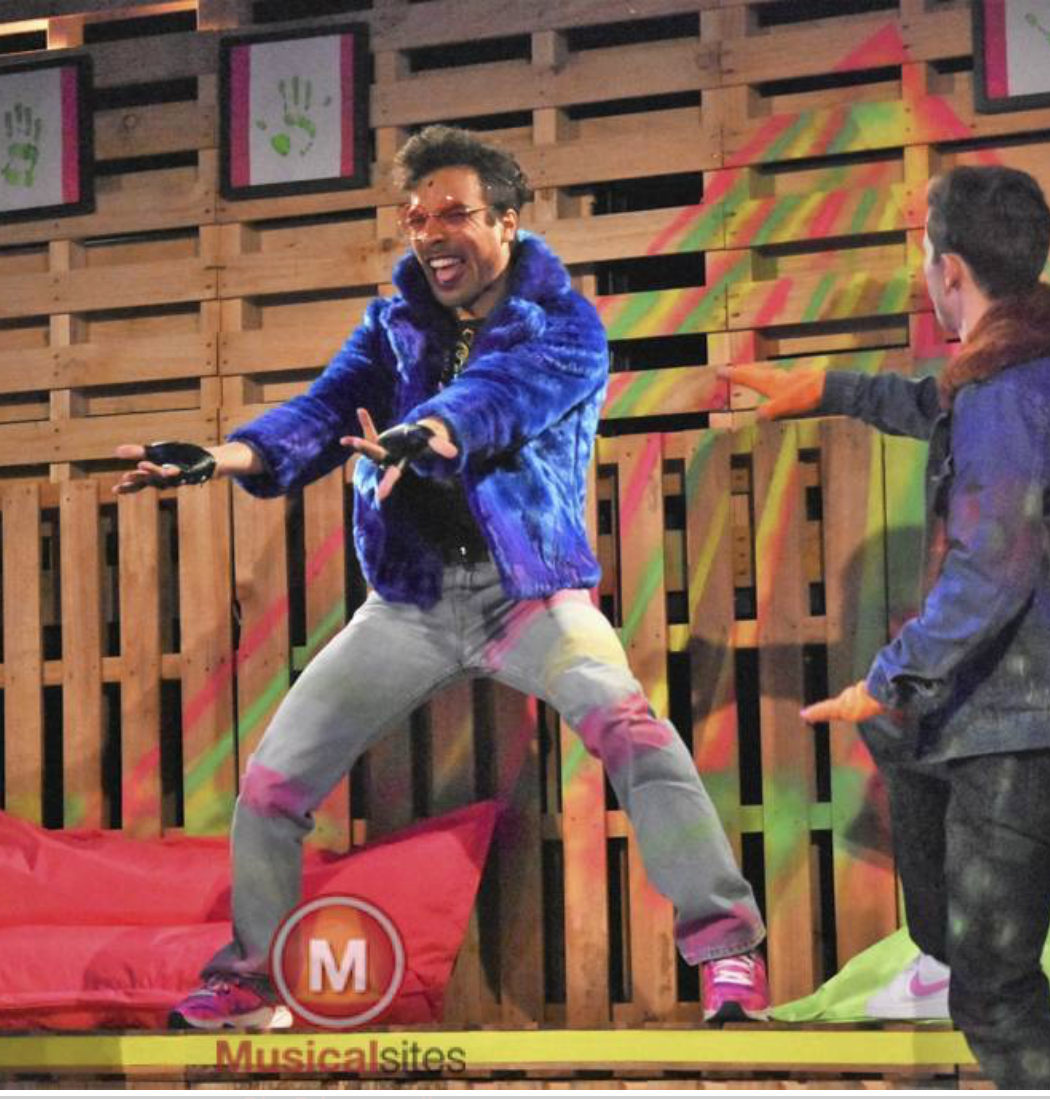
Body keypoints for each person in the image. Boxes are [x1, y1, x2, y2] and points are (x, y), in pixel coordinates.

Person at [117, 125, 769, 1030]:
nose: (431, 235)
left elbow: (497, 399)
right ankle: (251, 980)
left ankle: (729, 950)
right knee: (271, 784)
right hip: (413, 604)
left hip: (527, 594)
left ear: (506, 221)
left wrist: (423, 433)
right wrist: (224, 457)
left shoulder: (565, 326)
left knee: (634, 732)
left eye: (454, 214)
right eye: (416, 218)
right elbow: (321, 411)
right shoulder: (393, 326)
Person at [726, 165, 1050, 1089]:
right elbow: (940, 404)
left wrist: (886, 676)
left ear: (948, 269)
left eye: (925, 253)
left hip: (1031, 727)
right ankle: (961, 942)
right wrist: (828, 387)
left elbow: (988, 573)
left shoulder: (1006, 396)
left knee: (993, 996)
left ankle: (983, 970)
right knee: (904, 748)